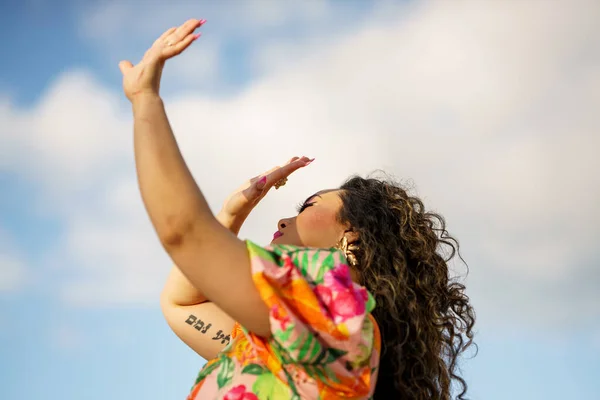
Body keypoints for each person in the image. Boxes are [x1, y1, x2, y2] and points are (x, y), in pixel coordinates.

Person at [119, 19, 476, 400]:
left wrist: (146, 101)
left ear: (351, 236)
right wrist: (231, 213)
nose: (284, 218)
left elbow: (185, 234)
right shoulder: (277, 343)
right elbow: (181, 303)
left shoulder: (337, 323)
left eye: (309, 206)